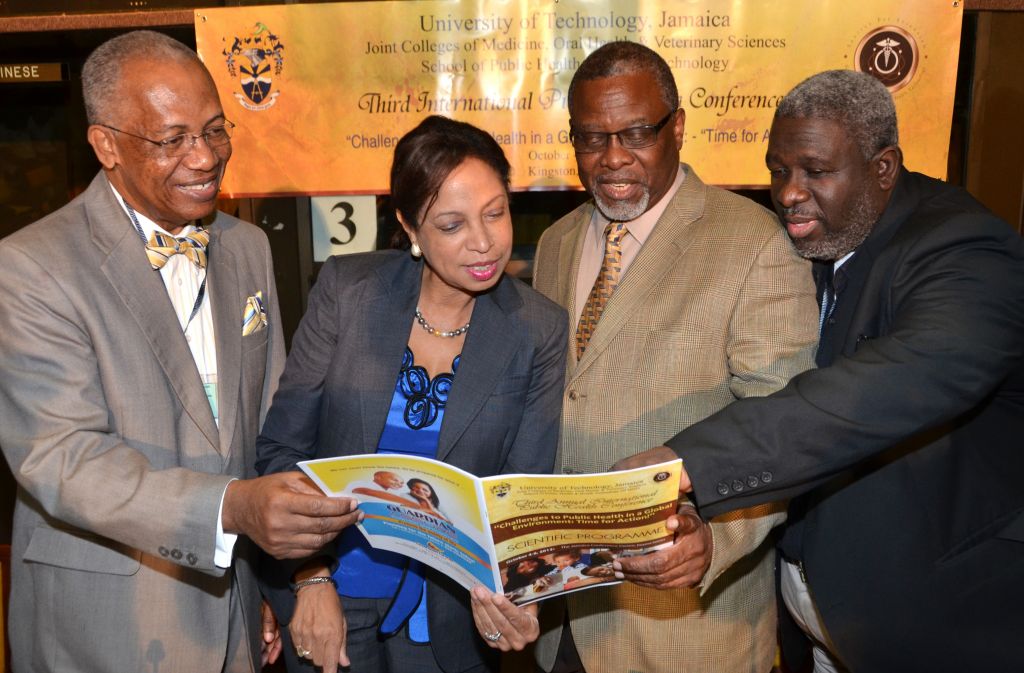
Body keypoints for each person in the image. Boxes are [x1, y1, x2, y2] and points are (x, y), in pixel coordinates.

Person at [622, 70, 1024, 672]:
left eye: (815, 171)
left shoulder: (965, 249)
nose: (787, 191)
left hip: (936, 621)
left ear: (883, 168)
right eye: (779, 169)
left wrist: (690, 462)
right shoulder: (807, 244)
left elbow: (879, 389)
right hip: (816, 628)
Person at [0, 30, 360, 673]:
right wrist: (231, 510)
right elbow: (63, 459)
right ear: (105, 145)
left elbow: (267, 429)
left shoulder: (247, 248)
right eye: (172, 140)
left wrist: (282, 577)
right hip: (108, 625)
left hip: (234, 607)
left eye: (215, 130)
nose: (204, 158)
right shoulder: (30, 267)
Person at [472, 40, 818, 672]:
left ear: (678, 126)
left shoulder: (752, 242)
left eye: (634, 133)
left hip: (685, 631)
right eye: (590, 138)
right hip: (564, 622)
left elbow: (784, 429)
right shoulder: (555, 241)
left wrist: (716, 537)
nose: (611, 158)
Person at [255, 115, 568, 673]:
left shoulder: (536, 327)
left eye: (495, 213)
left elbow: (521, 498)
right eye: (451, 225)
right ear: (410, 227)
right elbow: (281, 452)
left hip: (452, 616)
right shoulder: (349, 293)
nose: (484, 241)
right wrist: (310, 577)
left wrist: (516, 595)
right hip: (329, 595)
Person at [351, 470, 418, 506]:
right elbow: (366, 491)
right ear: (378, 477)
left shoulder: (390, 493)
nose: (399, 484)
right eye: (395, 480)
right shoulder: (361, 483)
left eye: (401, 483)